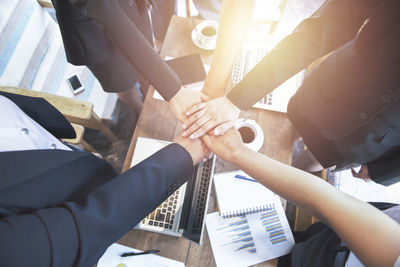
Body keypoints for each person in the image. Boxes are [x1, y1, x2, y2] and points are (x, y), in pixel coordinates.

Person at [182, 0, 400, 185]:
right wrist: (236, 99)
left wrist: (385, 171)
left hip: (371, 139)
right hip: (328, 91)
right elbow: (321, 30)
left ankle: (279, 181)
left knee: (306, 165)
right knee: (292, 125)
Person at [0, 91, 208, 266]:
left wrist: (52, 150)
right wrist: (179, 158)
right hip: (95, 218)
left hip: (65, 161)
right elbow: (80, 229)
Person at [202, 128, 400, 266]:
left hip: (326, 258)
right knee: (301, 239)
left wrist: (237, 152)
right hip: (337, 236)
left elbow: (323, 201)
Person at [52, 0, 205, 118]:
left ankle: (149, 95)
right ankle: (140, 110)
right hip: (90, 27)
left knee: (145, 55)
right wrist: (173, 90)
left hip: (132, 6)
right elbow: (104, 9)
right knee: (123, 81)